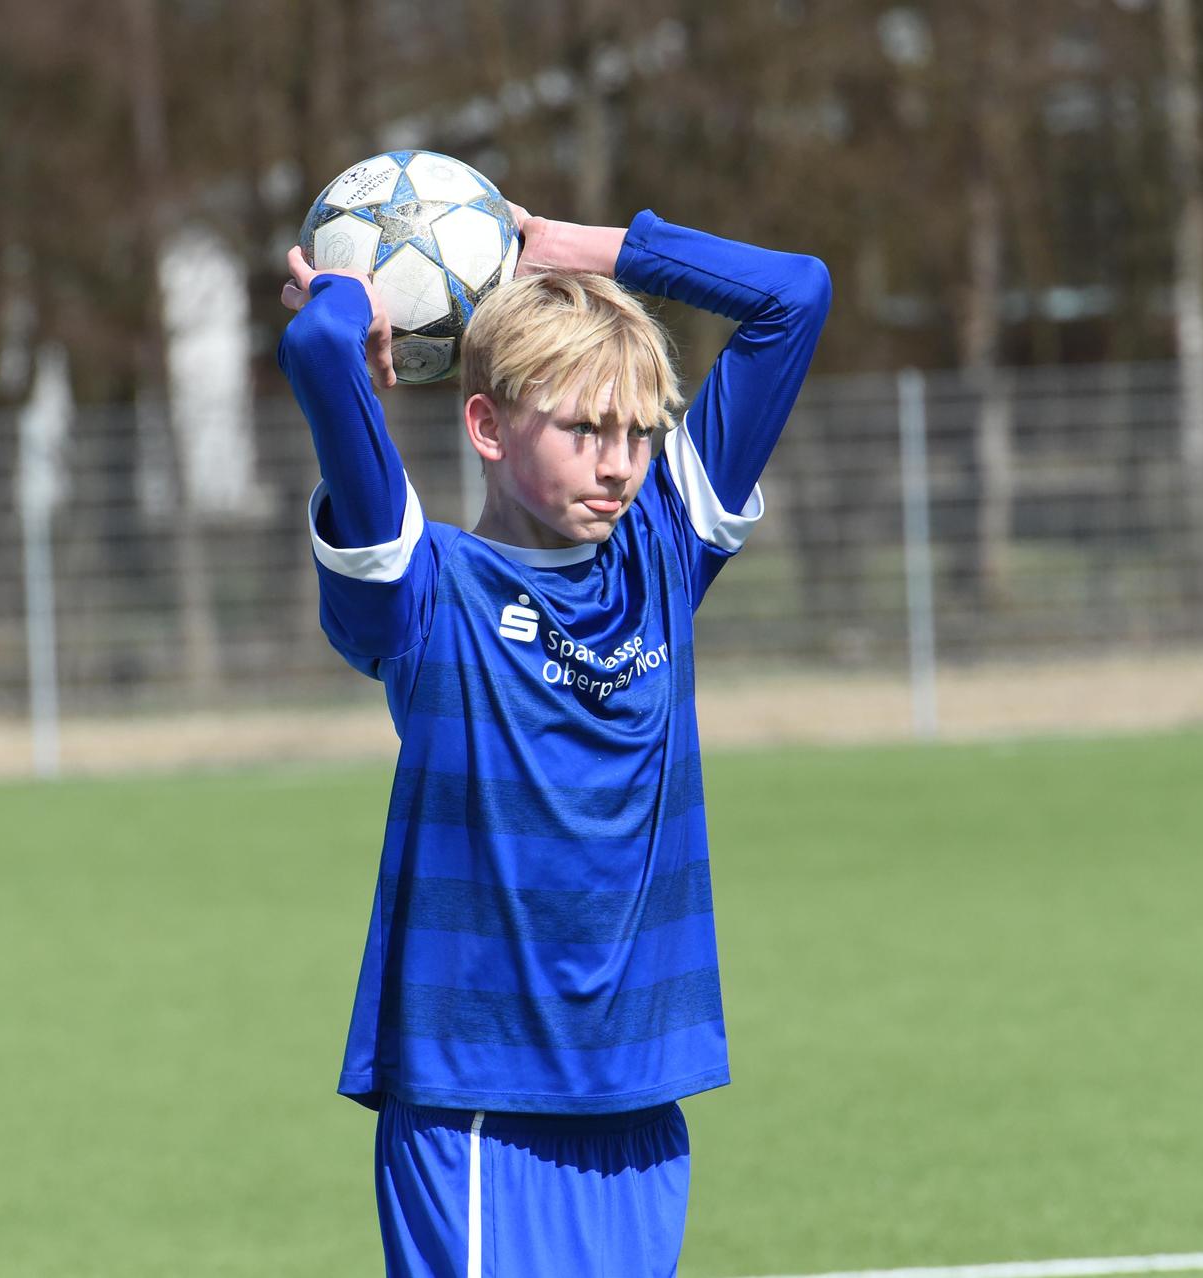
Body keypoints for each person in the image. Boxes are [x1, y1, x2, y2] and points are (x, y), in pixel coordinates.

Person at [278, 203, 831, 1276]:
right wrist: (355, 300)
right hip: (480, 1099)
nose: (619, 465)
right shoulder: (425, 592)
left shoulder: (662, 558)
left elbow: (794, 295)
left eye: (637, 434)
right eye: (585, 430)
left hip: (637, 1097)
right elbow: (312, 347)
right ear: (487, 427)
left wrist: (587, 250)